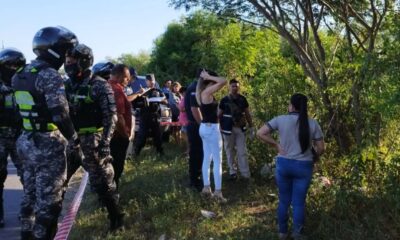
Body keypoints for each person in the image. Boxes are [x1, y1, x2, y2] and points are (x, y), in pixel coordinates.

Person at [12, 26, 80, 240]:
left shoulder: (20, 74)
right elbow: (59, 113)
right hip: (47, 143)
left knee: (30, 195)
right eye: (66, 51)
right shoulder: (49, 75)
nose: (67, 57)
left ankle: (26, 234)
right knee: (50, 202)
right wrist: (74, 139)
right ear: (56, 50)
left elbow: (17, 111)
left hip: (26, 140)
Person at [64, 44, 124, 232]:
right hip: (73, 141)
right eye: (66, 61)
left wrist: (105, 142)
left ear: (84, 61)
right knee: (59, 181)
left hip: (94, 141)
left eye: (72, 61)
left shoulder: (99, 85)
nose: (68, 65)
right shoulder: (67, 84)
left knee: (103, 184)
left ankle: (117, 220)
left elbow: (111, 116)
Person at [256, 93, 325, 240]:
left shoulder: (280, 120)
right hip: (304, 166)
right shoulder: (312, 123)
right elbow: (320, 148)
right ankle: (297, 233)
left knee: (284, 200)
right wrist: (315, 157)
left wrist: (276, 145)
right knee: (299, 203)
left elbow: (260, 133)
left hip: (284, 164)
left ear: (291, 106)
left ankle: (282, 233)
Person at [0, 48, 25, 228]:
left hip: (20, 135)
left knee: (27, 174)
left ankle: (27, 211)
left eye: (17, 65)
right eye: (10, 65)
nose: (13, 69)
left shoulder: (24, 83)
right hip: (1, 135)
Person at [196, 69, 227, 202]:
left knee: (207, 159)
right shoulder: (207, 92)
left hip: (204, 127)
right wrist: (209, 76)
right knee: (217, 160)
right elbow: (224, 81)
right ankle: (218, 193)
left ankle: (206, 187)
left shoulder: (200, 92)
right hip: (211, 129)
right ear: (210, 81)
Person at [219, 79, 254, 180]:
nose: (235, 88)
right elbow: (219, 115)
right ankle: (232, 171)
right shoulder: (224, 100)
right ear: (229, 87)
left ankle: (245, 173)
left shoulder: (243, 99)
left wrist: (251, 127)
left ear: (239, 87)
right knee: (229, 151)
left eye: (236, 86)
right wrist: (218, 127)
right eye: (233, 86)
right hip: (227, 130)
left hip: (240, 129)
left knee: (242, 151)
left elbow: (247, 114)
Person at [109, 64, 132, 189]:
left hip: (109, 136)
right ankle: (112, 195)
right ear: (119, 76)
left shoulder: (106, 86)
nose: (127, 81)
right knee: (116, 167)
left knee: (109, 167)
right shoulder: (116, 90)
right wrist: (125, 135)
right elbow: (118, 117)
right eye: (127, 78)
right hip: (117, 137)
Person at [134, 74, 165, 156]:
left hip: (155, 116)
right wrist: (141, 94)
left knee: (157, 135)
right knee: (142, 135)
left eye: (153, 81)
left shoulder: (158, 91)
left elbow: (165, 100)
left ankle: (160, 152)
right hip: (145, 116)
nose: (152, 83)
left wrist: (162, 100)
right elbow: (136, 102)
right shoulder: (143, 90)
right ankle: (136, 152)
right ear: (146, 82)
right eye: (150, 81)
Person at [184, 75, 203, 191]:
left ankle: (195, 178)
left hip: (193, 124)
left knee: (196, 153)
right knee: (196, 153)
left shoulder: (193, 86)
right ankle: (195, 180)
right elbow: (194, 109)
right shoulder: (194, 88)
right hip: (195, 125)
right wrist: (202, 124)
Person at [178, 87, 189, 153]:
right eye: (181, 92)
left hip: (186, 120)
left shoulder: (187, 99)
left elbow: (187, 108)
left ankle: (189, 149)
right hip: (183, 119)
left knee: (187, 136)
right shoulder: (183, 98)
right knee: (183, 134)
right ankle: (188, 148)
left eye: (183, 92)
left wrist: (180, 109)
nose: (182, 93)